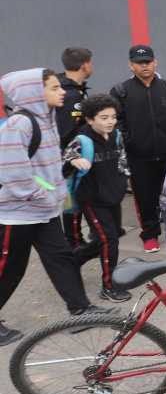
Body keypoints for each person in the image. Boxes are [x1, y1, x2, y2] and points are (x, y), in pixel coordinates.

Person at [0, 69, 114, 345]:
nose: (62, 91)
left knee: (61, 258)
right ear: (33, 92)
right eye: (53, 88)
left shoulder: (46, 118)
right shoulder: (19, 124)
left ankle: (80, 310)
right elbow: (13, 173)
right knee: (9, 269)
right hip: (18, 214)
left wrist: (56, 193)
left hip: (44, 210)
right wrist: (44, 195)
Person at [110, 45, 166, 253]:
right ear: (131, 65)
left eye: (148, 61)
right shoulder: (121, 91)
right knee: (145, 198)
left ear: (155, 62)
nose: (144, 65)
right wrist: (131, 141)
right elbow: (116, 122)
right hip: (139, 157)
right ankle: (150, 234)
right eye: (139, 62)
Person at [63, 94, 132, 303]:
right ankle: (109, 286)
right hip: (91, 199)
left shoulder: (117, 136)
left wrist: (122, 184)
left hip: (113, 197)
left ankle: (74, 259)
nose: (110, 121)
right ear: (90, 119)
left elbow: (123, 163)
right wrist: (73, 163)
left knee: (110, 237)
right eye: (104, 117)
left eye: (112, 116)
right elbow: (63, 166)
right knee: (108, 239)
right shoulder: (81, 141)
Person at [57, 47, 93, 248]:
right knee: (71, 206)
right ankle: (74, 244)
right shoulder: (70, 96)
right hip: (69, 160)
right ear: (85, 65)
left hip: (72, 158)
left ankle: (77, 241)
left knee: (75, 204)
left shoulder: (71, 90)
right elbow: (67, 133)